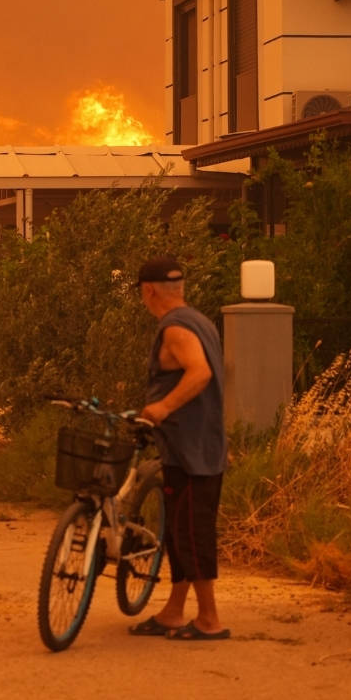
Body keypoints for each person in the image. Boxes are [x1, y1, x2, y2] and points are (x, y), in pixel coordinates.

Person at [129, 256, 230, 641]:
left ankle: (209, 620)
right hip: (198, 444)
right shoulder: (200, 321)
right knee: (179, 531)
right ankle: (174, 611)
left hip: (192, 451)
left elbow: (200, 372)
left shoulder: (174, 328)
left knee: (191, 534)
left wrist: (163, 407)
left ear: (148, 291)